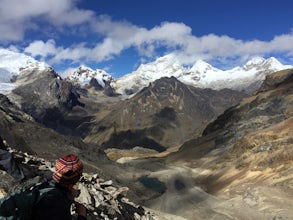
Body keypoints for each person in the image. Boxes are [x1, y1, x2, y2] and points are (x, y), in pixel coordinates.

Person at [32, 154, 87, 220]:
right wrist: (82, 216)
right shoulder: (58, 204)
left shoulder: (43, 186)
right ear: (75, 178)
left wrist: (68, 196)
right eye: (79, 175)